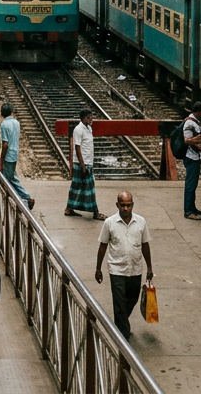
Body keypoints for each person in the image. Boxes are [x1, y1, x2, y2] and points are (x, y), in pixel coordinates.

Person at [94, 191, 154, 338]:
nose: (125, 209)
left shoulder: (141, 222)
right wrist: (98, 268)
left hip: (135, 268)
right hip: (116, 269)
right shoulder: (109, 223)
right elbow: (103, 246)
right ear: (117, 205)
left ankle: (121, 324)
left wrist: (149, 267)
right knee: (119, 302)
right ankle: (123, 335)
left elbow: (145, 245)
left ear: (132, 205)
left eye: (128, 205)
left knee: (132, 298)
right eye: (122, 205)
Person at [65, 109, 105, 220]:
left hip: (88, 162)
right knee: (89, 189)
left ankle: (69, 208)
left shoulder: (89, 129)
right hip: (82, 163)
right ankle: (95, 212)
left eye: (91, 117)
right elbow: (77, 148)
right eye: (88, 117)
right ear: (82, 118)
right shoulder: (78, 129)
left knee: (77, 187)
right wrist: (82, 165)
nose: (90, 119)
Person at [0, 103, 34, 209]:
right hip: (14, 152)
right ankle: (19, 197)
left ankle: (26, 197)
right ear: (11, 112)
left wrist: (1, 158)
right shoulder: (16, 123)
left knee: (9, 178)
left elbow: (5, 143)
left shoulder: (4, 125)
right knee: (12, 176)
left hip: (8, 155)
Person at [181, 102, 201, 220]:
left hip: (195, 157)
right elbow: (187, 140)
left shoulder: (195, 122)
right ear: (197, 111)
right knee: (190, 185)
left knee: (194, 184)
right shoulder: (189, 123)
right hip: (191, 157)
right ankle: (188, 211)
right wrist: (197, 143)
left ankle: (193, 208)